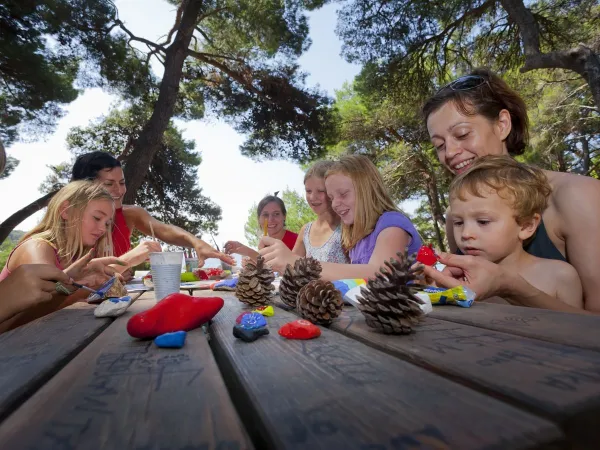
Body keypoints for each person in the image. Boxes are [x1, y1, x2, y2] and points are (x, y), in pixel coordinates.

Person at [422, 68, 600, 313]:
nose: (449, 153)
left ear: (502, 125)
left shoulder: (578, 196)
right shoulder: (456, 216)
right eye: (439, 145)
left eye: (462, 134)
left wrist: (512, 288)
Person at [435, 155, 582, 308]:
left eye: (483, 222)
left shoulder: (559, 276)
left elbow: (580, 328)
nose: (466, 233)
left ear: (526, 226)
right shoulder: (457, 278)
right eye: (458, 222)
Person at [260, 155, 422, 280]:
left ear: (367, 189)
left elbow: (379, 273)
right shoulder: (357, 234)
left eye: (343, 194)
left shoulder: (392, 225)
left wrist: (298, 263)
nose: (336, 204)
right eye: (331, 197)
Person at [71, 152, 234, 271]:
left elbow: (165, 230)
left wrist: (197, 243)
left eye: (122, 182)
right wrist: (125, 263)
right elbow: (71, 282)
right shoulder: (67, 224)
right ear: (85, 187)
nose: (119, 190)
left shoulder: (130, 214)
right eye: (109, 184)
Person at [0, 181, 124, 331]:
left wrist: (92, 280)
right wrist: (85, 288)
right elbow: (37, 313)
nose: (102, 229)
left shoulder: (72, 256)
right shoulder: (38, 247)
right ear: (66, 210)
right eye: (97, 218)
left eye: (107, 223)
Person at [293, 161, 348, 263]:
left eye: (321, 191)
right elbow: (290, 267)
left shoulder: (347, 227)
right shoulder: (305, 231)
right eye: (308, 191)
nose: (313, 197)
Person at [224, 194, 298, 260]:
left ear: (284, 216)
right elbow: (268, 266)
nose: (270, 219)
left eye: (276, 214)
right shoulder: (263, 243)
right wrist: (245, 251)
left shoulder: (297, 241)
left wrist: (249, 253)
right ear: (259, 219)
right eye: (265, 215)